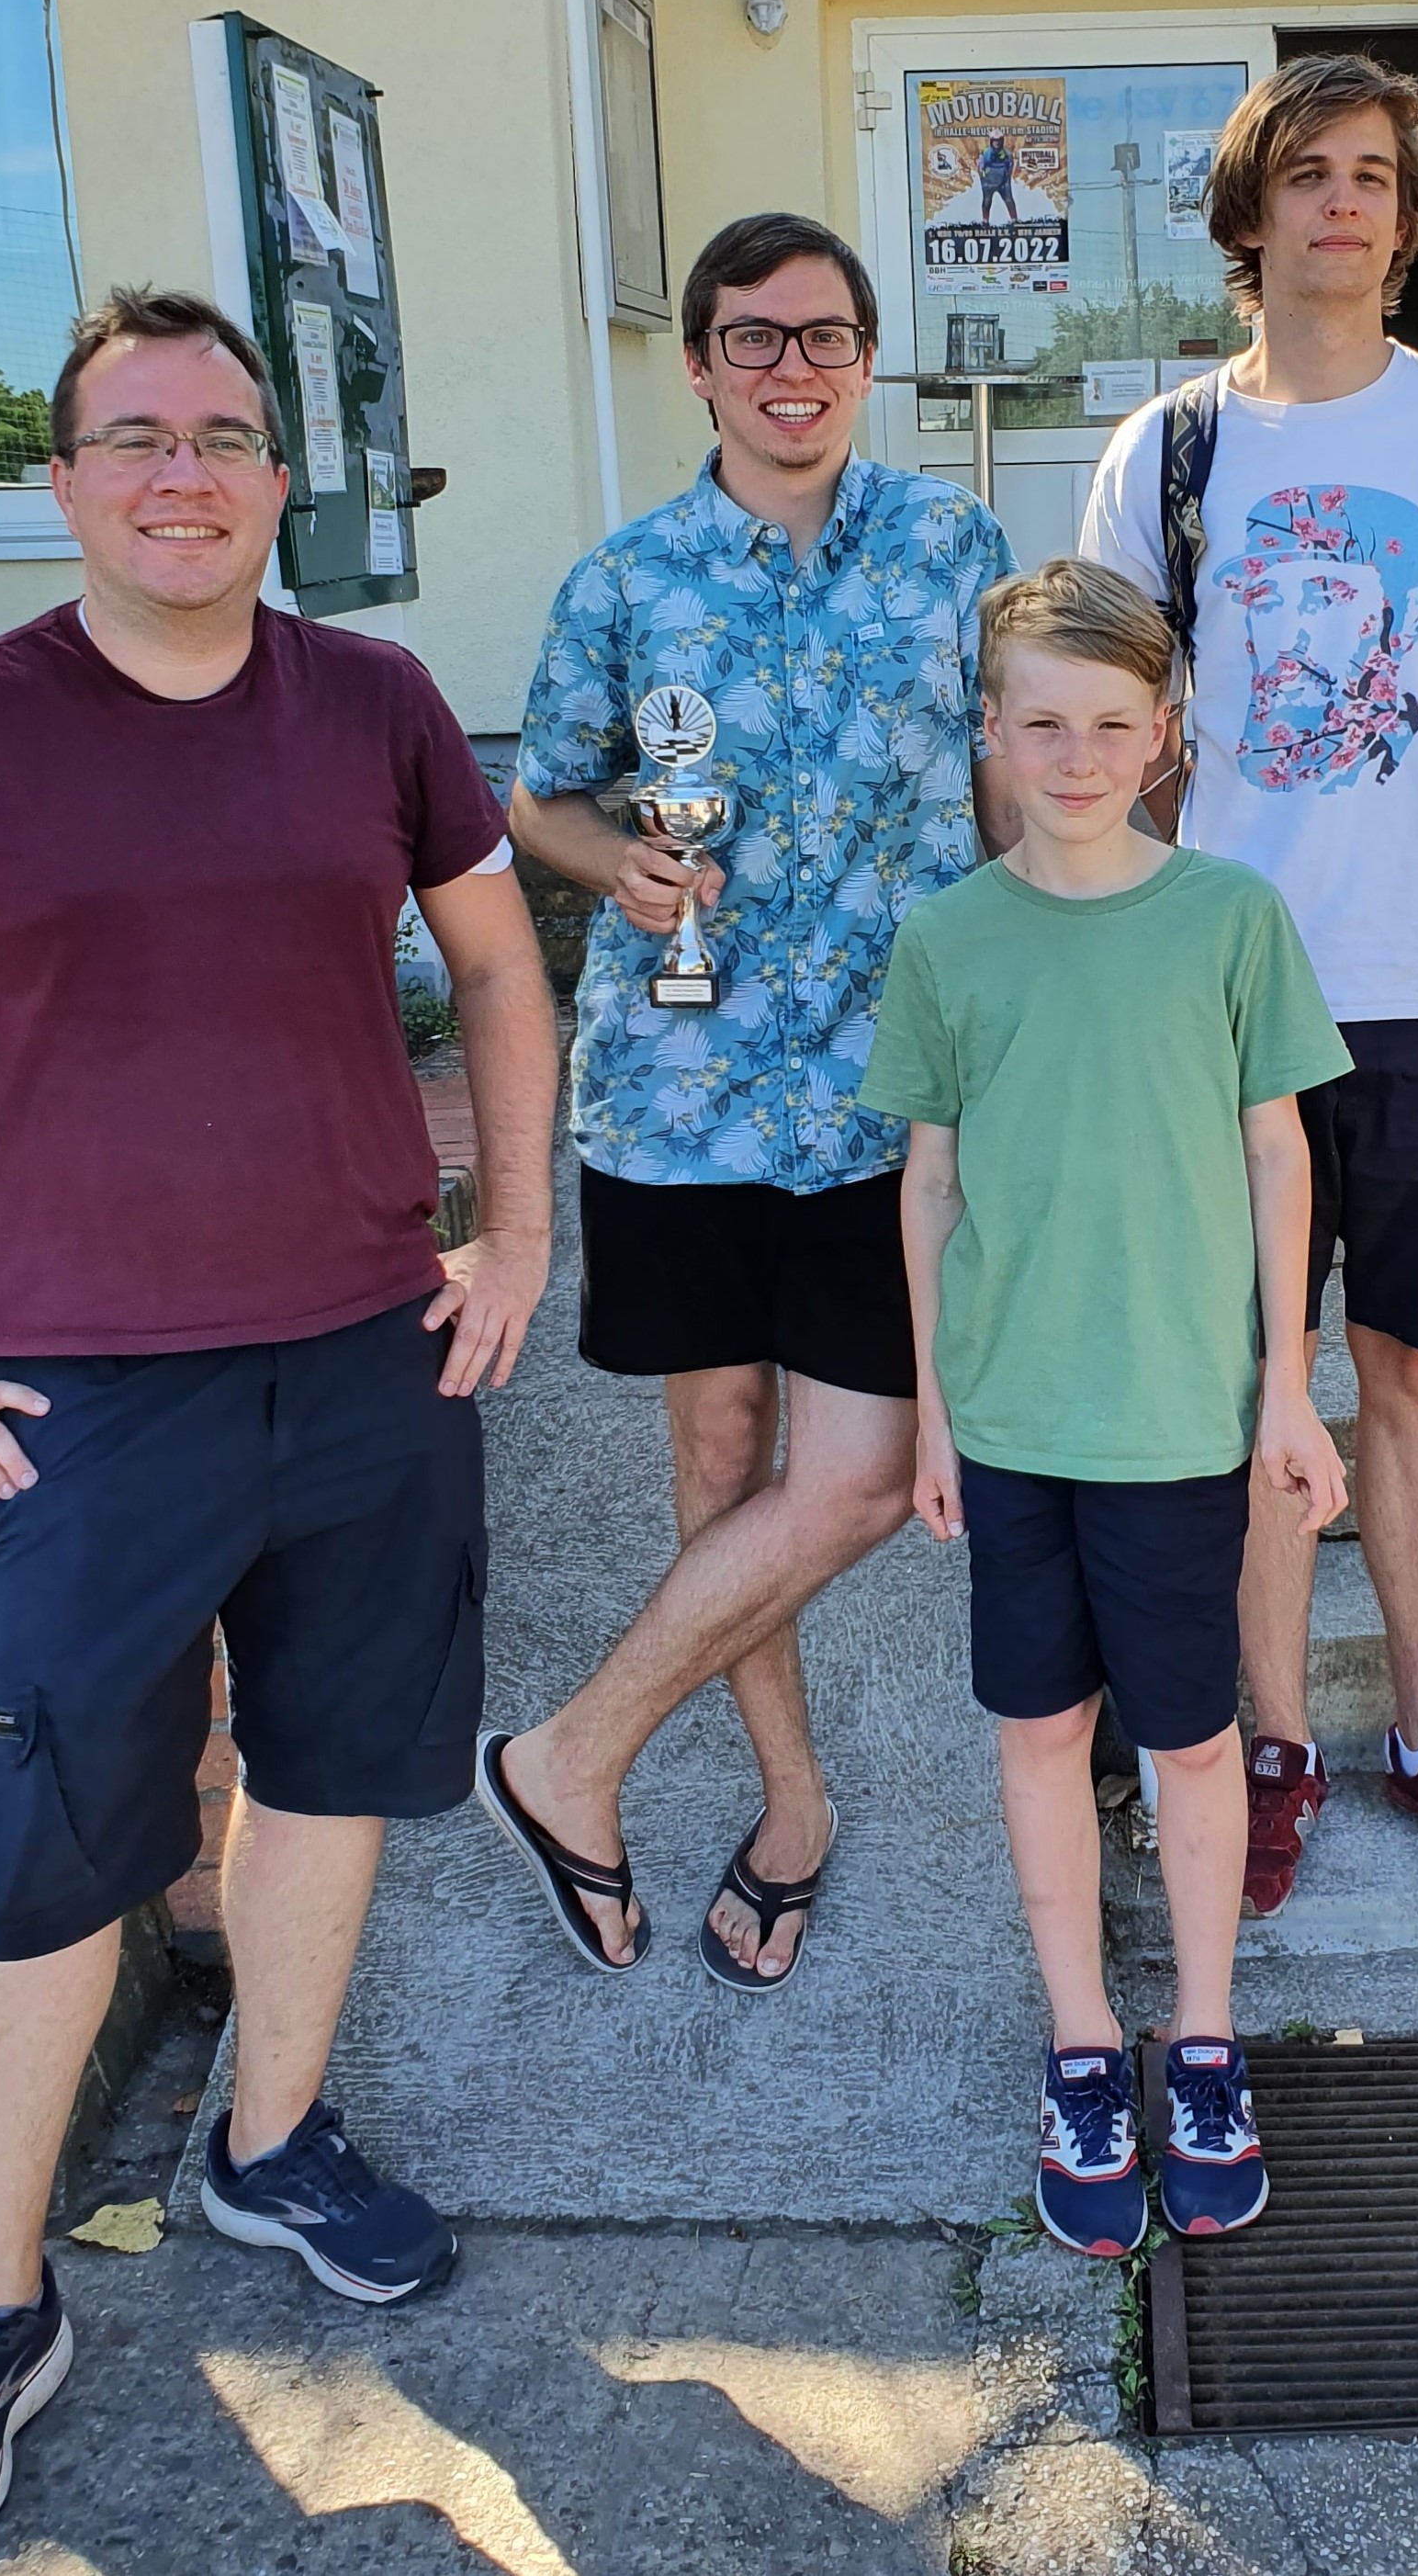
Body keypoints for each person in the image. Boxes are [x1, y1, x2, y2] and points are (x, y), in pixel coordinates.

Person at [0, 286, 558, 2554]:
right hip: (89, 1394)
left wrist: (516, 1236)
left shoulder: (375, 702)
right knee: (39, 1858)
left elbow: (499, 967)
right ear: (63, 481)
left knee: (328, 1771)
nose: (182, 474)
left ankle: (267, 2142)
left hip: (369, 1356)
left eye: (222, 436)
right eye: (133, 438)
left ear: (278, 477)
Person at [1081, 54, 1418, 1921]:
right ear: (1251, 210)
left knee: (1410, 1374)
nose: (1344, 203)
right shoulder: (1171, 451)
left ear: (1411, 213)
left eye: (1374, 174)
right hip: (1228, 1006)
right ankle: (1275, 1745)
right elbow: (1113, 721)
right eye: (1307, 173)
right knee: (1256, 1388)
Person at [484, 214, 1015, 1991]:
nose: (794, 369)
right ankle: (792, 1808)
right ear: (702, 365)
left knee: (853, 1484)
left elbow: (1013, 780)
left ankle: (570, 1756)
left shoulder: (954, 546)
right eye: (755, 338)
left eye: (826, 336)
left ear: (867, 358)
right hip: (683, 1095)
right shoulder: (625, 580)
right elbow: (543, 798)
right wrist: (615, 863)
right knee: (722, 1468)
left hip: (894, 1097)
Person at [861, 558, 1353, 2248]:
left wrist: (1288, 1390)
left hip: (1178, 1423)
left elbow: (1279, 1157)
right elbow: (929, 1185)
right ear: (991, 733)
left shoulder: (1228, 919)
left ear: (1165, 734)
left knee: (1194, 1736)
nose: (1076, 757)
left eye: (1110, 725)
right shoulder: (948, 938)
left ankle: (1202, 2042)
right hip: (1010, 1424)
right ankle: (1082, 2047)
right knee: (1039, 1735)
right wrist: (934, 1414)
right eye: (1043, 724)